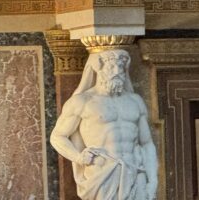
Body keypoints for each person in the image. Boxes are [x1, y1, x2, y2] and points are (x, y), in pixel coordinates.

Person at [50, 48, 158, 200]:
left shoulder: (135, 101)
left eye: (121, 67)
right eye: (111, 67)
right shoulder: (82, 101)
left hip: (135, 172)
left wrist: (153, 180)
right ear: (98, 69)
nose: (117, 71)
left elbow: (146, 143)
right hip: (102, 174)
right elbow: (57, 137)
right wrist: (79, 157)